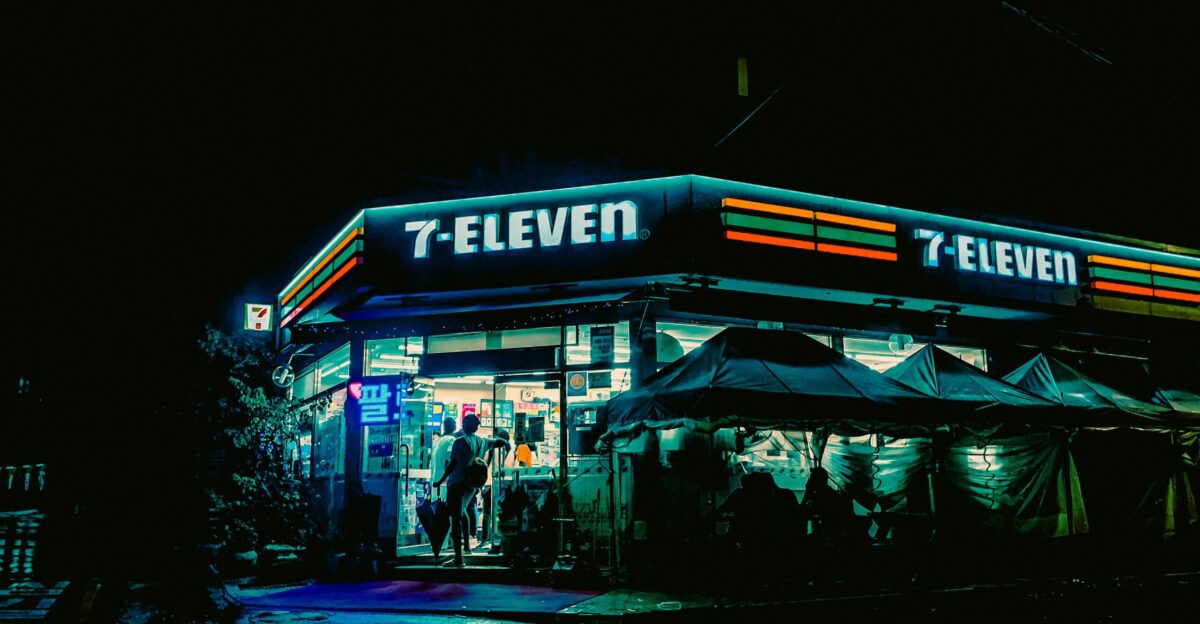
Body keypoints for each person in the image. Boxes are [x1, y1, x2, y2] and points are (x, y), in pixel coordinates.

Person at [432, 414, 509, 567]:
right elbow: (501, 442)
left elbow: (453, 463)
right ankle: (465, 547)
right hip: (471, 485)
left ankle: (458, 558)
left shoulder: (459, 442)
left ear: (465, 424)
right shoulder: (482, 441)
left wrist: (440, 480)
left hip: (456, 483)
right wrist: (506, 447)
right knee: (463, 512)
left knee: (455, 519)